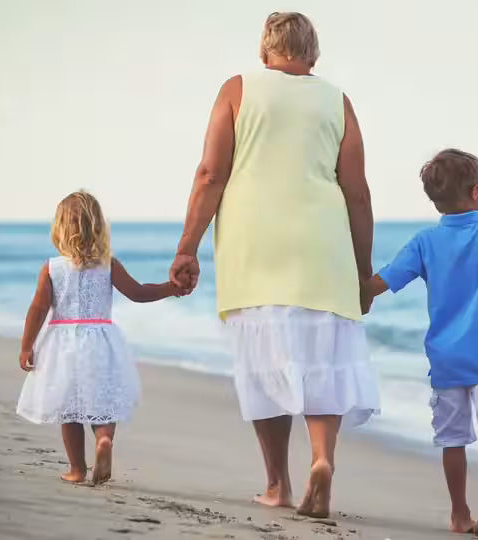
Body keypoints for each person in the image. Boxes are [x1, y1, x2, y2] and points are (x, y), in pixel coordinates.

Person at [168, 12, 380, 518]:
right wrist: (363, 271)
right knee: (321, 363)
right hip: (323, 250)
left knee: (265, 365)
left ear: (265, 52)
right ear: (313, 56)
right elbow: (357, 193)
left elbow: (210, 173)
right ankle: (323, 460)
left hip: (254, 247)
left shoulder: (238, 90)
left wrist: (187, 247)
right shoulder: (338, 101)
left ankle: (278, 484)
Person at [363, 149, 478, 539]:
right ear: (477, 192)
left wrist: (353, 295)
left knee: (453, 441)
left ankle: (459, 512)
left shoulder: (425, 241)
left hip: (444, 361)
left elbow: (383, 281)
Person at [16, 190, 182, 485]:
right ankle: (104, 439)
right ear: (98, 228)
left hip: (63, 344)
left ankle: (77, 469)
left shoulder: (52, 268)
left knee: (69, 407)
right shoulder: (108, 265)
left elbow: (38, 308)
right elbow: (139, 293)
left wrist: (27, 345)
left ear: (59, 229)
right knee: (101, 401)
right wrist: (171, 288)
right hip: (101, 341)